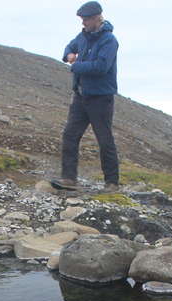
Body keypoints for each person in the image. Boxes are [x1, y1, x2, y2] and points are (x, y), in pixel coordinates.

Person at [52, 1, 119, 192]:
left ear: (97, 17)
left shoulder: (109, 40)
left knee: (104, 139)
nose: (84, 23)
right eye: (82, 20)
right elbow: (69, 47)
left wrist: (75, 65)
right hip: (81, 97)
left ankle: (112, 183)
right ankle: (69, 179)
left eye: (86, 19)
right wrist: (68, 55)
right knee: (70, 135)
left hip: (101, 98)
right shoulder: (83, 37)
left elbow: (101, 67)